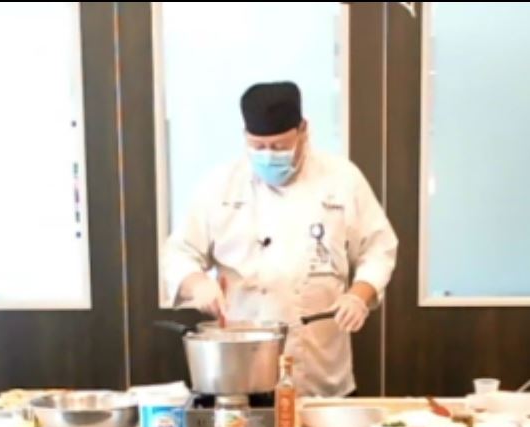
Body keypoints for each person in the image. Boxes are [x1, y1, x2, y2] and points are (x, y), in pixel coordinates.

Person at [162, 81, 398, 397]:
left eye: (279, 146)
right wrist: (198, 283)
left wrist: (359, 295)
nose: (268, 155)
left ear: (303, 131)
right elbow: (179, 251)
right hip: (242, 366)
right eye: (258, 146)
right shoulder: (220, 185)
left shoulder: (342, 179)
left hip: (319, 363)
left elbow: (379, 247)